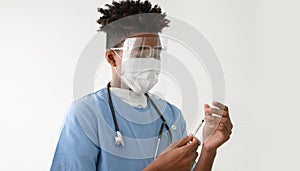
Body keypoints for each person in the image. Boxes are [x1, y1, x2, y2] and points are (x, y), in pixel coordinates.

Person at [50, 0, 233, 171]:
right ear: (112, 58)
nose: (151, 61)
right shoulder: (86, 114)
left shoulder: (171, 116)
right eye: (140, 52)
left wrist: (209, 149)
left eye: (156, 54)